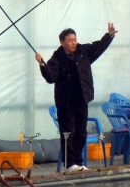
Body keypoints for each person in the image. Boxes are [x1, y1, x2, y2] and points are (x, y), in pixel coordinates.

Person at [35, 23, 118, 172]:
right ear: (62, 42)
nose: (73, 43)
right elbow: (51, 77)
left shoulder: (83, 51)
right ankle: (70, 164)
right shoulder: (57, 58)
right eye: (70, 40)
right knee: (69, 133)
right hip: (65, 103)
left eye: (75, 39)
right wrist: (42, 64)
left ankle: (79, 162)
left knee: (81, 132)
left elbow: (98, 47)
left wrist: (110, 35)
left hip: (82, 99)